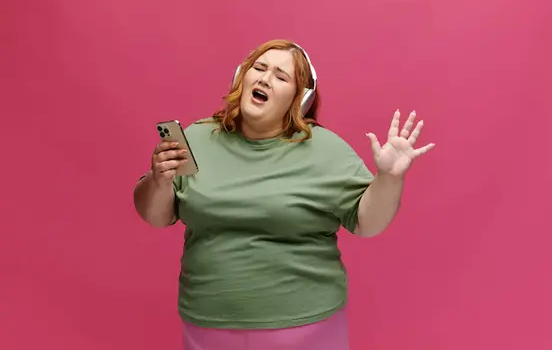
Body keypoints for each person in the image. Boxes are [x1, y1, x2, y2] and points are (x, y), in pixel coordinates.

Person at [133, 39, 435, 350]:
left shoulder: (326, 150)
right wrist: (159, 179)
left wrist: (389, 178)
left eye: (280, 76)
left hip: (305, 329)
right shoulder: (195, 139)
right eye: (259, 68)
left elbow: (367, 223)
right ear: (242, 77)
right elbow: (155, 216)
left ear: (300, 99)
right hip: (207, 325)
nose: (265, 78)